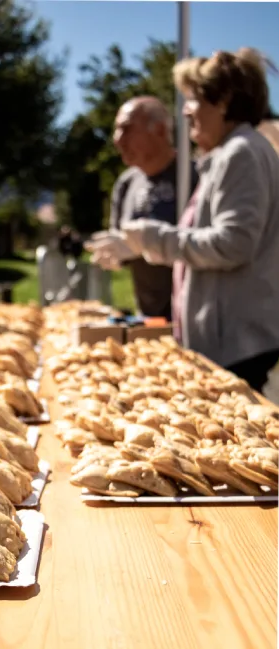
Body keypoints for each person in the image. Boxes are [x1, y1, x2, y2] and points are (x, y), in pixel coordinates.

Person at [89, 49, 279, 392]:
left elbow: (233, 245)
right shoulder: (233, 152)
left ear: (222, 102)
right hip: (228, 338)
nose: (186, 111)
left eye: (192, 99)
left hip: (235, 341)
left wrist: (149, 238)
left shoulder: (241, 153)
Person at [98, 96, 198, 319]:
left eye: (126, 129)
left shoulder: (194, 177)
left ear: (160, 130)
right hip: (148, 316)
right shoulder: (126, 184)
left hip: (192, 317)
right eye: (116, 131)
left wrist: (146, 243)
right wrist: (114, 253)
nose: (117, 140)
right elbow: (120, 244)